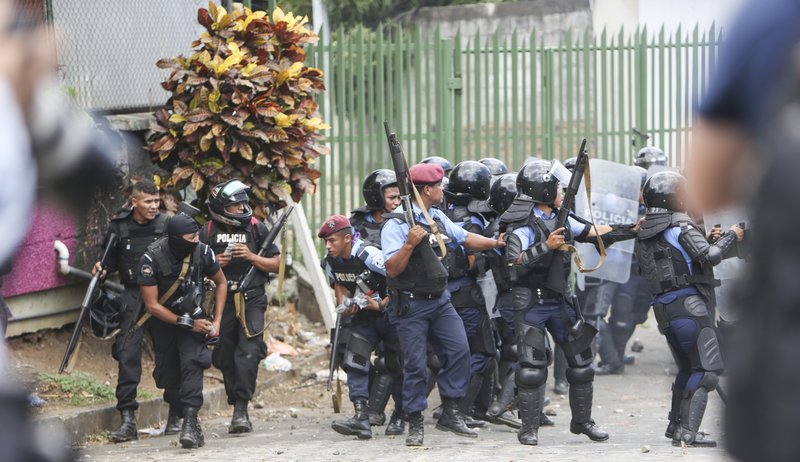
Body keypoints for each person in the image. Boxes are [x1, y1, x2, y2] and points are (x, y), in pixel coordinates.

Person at [502, 159, 638, 446]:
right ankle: (528, 428)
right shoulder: (521, 225)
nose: (562, 192)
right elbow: (513, 263)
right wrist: (546, 246)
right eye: (557, 188)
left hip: (560, 300)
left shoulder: (561, 217)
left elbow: (593, 232)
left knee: (582, 363)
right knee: (532, 368)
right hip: (531, 304)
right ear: (544, 191)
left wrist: (632, 229)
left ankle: (582, 421)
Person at [381, 162, 505, 446]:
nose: (442, 189)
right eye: (438, 185)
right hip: (411, 305)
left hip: (439, 301)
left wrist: (495, 244)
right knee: (416, 366)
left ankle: (451, 410)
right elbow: (392, 269)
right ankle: (414, 421)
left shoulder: (435, 216)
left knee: (460, 351)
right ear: (427, 190)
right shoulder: (395, 224)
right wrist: (409, 244)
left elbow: (464, 238)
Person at [635, 171, 743, 448]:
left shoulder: (647, 228)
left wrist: (709, 238)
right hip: (689, 307)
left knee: (687, 368)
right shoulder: (681, 225)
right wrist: (732, 235)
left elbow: (679, 259)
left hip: (665, 308)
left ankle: (676, 427)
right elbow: (710, 256)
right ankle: (688, 433)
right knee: (706, 371)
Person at [138, 213, 227, 449]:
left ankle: (189, 421)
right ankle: (182, 414)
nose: (196, 240)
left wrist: (217, 321)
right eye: (191, 237)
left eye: (197, 235)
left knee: (192, 363)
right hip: (164, 321)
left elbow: (221, 282)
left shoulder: (203, 251)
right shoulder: (152, 257)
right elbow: (152, 305)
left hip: (195, 319)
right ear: (176, 238)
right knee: (168, 376)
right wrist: (184, 322)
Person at [90, 179, 169, 442]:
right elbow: (108, 263)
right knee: (127, 354)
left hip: (164, 295)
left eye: (156, 201)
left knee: (169, 353)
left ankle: (178, 414)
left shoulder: (167, 224)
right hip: (133, 296)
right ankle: (127, 419)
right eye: (148, 201)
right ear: (134, 202)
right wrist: (101, 269)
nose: (154, 206)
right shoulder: (119, 227)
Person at [200, 180, 279, 434]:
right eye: (236, 206)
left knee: (248, 352)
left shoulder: (256, 227)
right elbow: (193, 268)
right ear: (221, 208)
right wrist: (215, 263)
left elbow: (277, 264)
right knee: (223, 354)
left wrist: (252, 257)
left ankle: (241, 409)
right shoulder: (207, 231)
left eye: (244, 204)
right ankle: (235, 398)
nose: (242, 209)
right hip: (220, 301)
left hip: (252, 299)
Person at [318, 215, 405, 439]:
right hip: (364, 318)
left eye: (332, 241)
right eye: (326, 241)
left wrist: (383, 304)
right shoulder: (331, 262)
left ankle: (400, 414)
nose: (328, 246)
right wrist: (344, 305)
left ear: (347, 239)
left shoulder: (369, 255)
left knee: (397, 365)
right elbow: (339, 284)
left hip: (392, 315)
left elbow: (399, 277)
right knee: (355, 361)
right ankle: (361, 417)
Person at [349, 169, 401, 246]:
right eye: (392, 198)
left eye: (399, 197)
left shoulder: (404, 222)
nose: (397, 203)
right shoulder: (355, 224)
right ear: (377, 198)